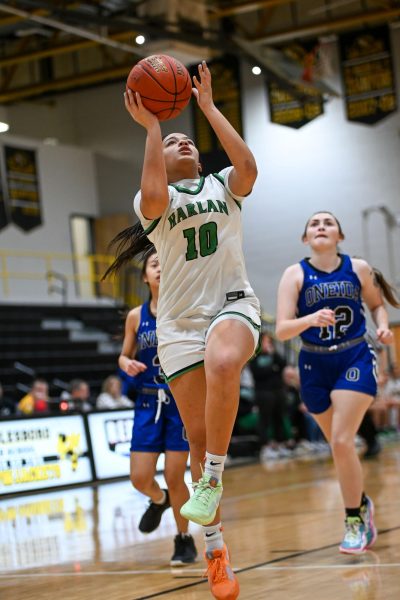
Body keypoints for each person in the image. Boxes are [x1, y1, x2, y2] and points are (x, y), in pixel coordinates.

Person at [104, 61, 260, 599]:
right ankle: (214, 549)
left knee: (223, 363)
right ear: (161, 163)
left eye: (185, 139)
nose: (181, 141)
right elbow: (149, 194)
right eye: (172, 142)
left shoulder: (223, 186)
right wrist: (151, 127)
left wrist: (209, 109)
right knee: (195, 441)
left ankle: (212, 477)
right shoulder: (157, 205)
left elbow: (249, 167)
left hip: (233, 306)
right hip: (177, 327)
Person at [275, 211, 399, 554]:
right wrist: (311, 318)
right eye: (313, 224)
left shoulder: (357, 268)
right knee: (339, 447)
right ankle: (361, 502)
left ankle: (354, 521)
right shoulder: (295, 274)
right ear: (305, 239)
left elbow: (376, 307)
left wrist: (384, 327)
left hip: (353, 356)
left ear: (339, 236)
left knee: (343, 442)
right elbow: (282, 329)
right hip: (313, 362)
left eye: (328, 223)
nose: (320, 227)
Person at [119, 246, 197, 566]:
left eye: (166, 262)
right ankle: (159, 499)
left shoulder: (186, 308)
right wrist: (126, 364)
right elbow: (124, 354)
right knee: (139, 477)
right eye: (154, 264)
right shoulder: (136, 316)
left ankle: (183, 539)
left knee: (176, 475)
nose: (161, 268)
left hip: (180, 401)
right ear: (144, 276)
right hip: (149, 401)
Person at [249, 333, 291, 460]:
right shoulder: (255, 357)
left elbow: (283, 364)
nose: (268, 344)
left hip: (278, 391)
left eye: (269, 341)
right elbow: (258, 373)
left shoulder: (274, 355)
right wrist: (273, 369)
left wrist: (273, 355)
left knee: (279, 417)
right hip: (263, 393)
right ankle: (265, 446)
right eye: (265, 341)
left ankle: (280, 444)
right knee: (264, 420)